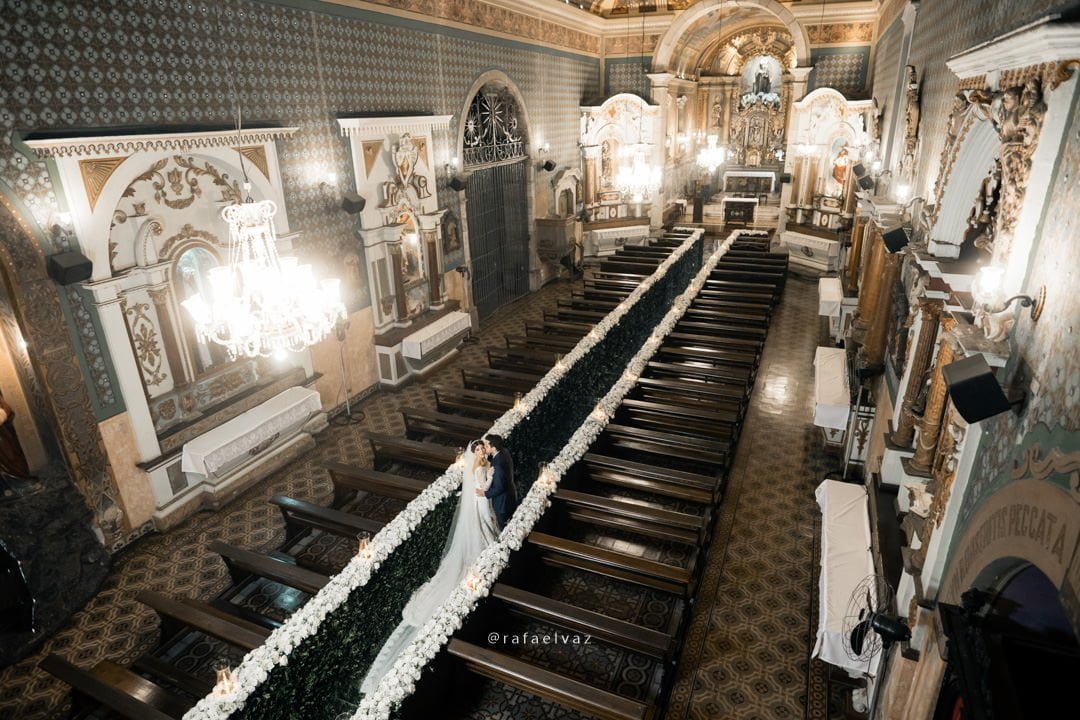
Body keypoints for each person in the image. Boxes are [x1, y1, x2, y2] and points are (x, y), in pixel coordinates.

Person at [359, 439, 498, 694]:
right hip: (480, 501)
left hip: (481, 502)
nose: (480, 452)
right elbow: (482, 488)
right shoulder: (479, 468)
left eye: (481, 449)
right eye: (477, 450)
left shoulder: (481, 464)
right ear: (474, 452)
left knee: (485, 528)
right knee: (481, 532)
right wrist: (490, 478)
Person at [480, 434, 517, 530]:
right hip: (510, 495)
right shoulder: (504, 452)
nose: (484, 448)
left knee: (504, 527)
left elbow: (499, 488)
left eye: (487, 446)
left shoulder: (498, 465)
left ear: (494, 448)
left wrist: (485, 493)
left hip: (502, 502)